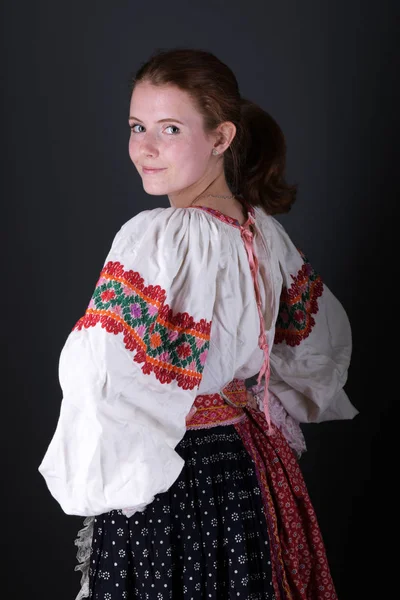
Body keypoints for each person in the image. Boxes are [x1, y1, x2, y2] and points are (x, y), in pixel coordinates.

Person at [38, 48, 358, 600]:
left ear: (221, 137)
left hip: (174, 475)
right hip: (247, 469)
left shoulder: (161, 237)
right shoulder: (262, 234)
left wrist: (104, 477)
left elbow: (99, 374)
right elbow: (313, 347)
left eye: (170, 128)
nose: (146, 146)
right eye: (138, 126)